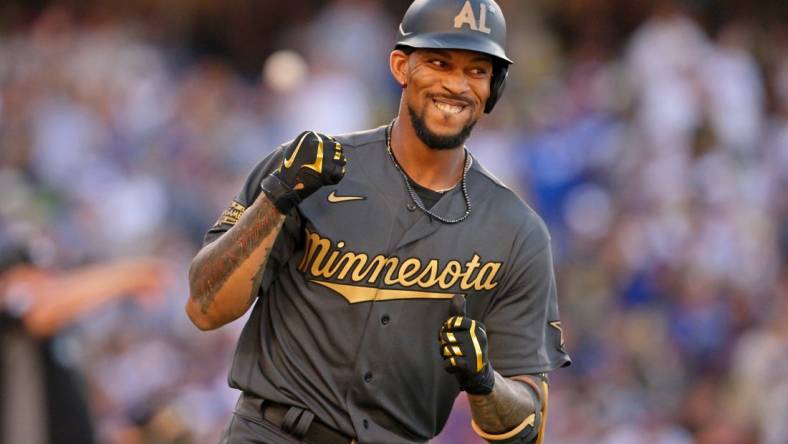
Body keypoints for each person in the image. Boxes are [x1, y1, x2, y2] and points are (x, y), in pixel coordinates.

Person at [186, 1, 571, 443]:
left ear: (494, 87)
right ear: (401, 66)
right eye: (439, 62)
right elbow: (204, 307)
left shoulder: (516, 231)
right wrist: (275, 199)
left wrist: (485, 381)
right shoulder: (306, 166)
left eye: (477, 71)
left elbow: (528, 429)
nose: (455, 84)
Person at [0, 245, 167, 444]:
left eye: (45, 276)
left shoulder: (54, 335)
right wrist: (131, 276)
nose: (45, 284)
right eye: (31, 277)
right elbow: (39, 311)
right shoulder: (12, 323)